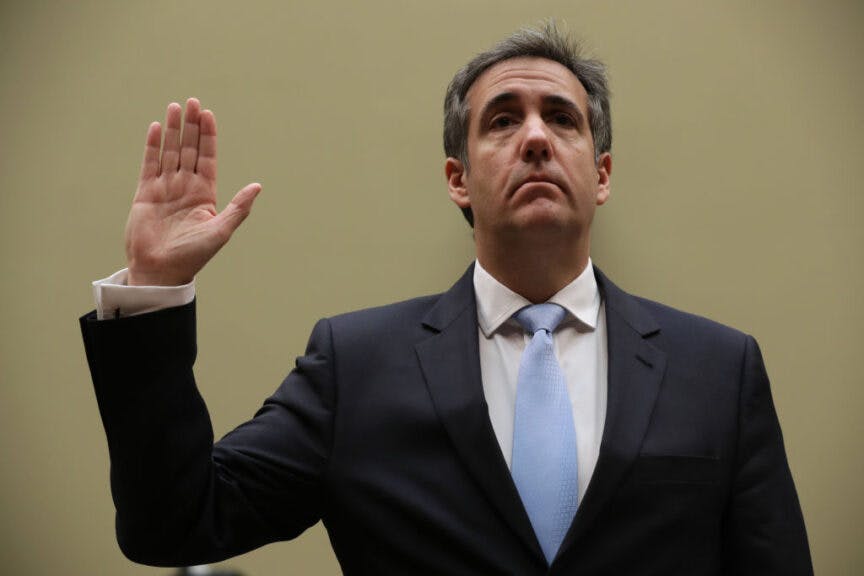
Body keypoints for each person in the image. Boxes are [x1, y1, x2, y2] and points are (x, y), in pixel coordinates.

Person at [80, 23, 813, 575]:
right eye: (503, 119)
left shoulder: (718, 369)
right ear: (458, 180)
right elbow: (174, 523)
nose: (535, 137)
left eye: (562, 118)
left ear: (602, 174)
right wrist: (153, 288)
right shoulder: (355, 368)